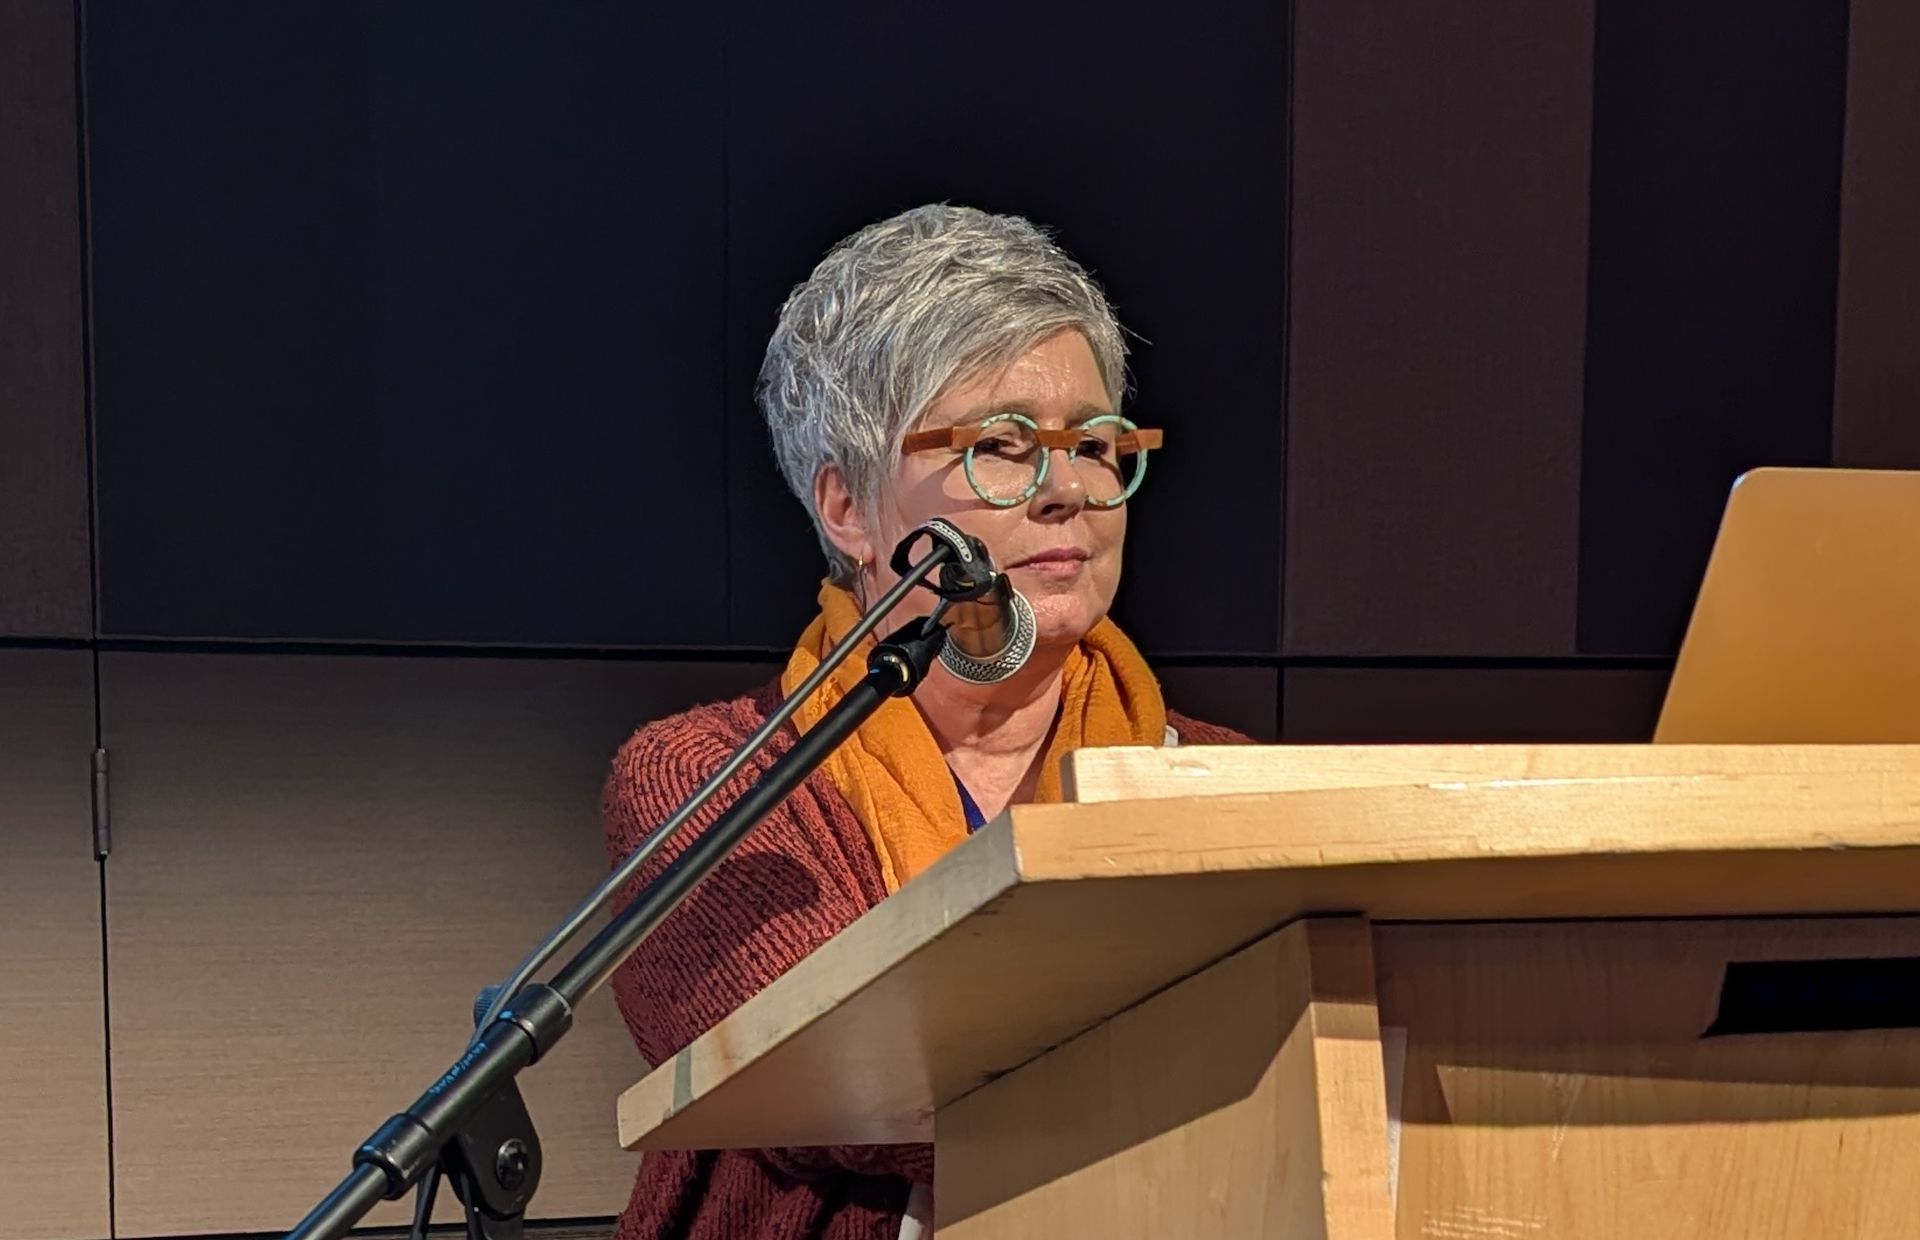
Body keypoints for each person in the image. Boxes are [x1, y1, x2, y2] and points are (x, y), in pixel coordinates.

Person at [601, 204, 1250, 1240]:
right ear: (847, 509)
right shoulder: (709, 778)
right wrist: (1187, 1068)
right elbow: (836, 1077)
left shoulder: (1234, 782)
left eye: (1094, 442)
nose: (1067, 490)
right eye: (1002, 445)